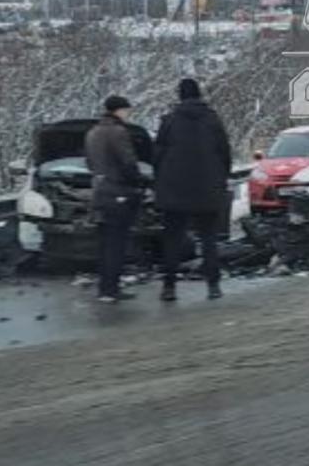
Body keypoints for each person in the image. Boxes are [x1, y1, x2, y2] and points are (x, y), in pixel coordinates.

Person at [155, 78, 231, 301]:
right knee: (208, 238)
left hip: (175, 189)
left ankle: (169, 287)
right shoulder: (212, 119)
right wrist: (220, 179)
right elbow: (224, 153)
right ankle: (213, 286)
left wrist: (160, 181)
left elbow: (157, 155)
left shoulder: (169, 121)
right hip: (207, 189)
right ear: (199, 95)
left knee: (172, 239)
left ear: (179, 95)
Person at [84, 94, 144, 304]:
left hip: (100, 193)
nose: (128, 114)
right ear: (118, 110)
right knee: (117, 243)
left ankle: (105, 287)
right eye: (127, 110)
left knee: (105, 243)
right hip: (119, 193)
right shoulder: (118, 132)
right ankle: (112, 289)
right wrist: (138, 182)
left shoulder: (93, 133)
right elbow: (128, 163)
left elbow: (90, 164)